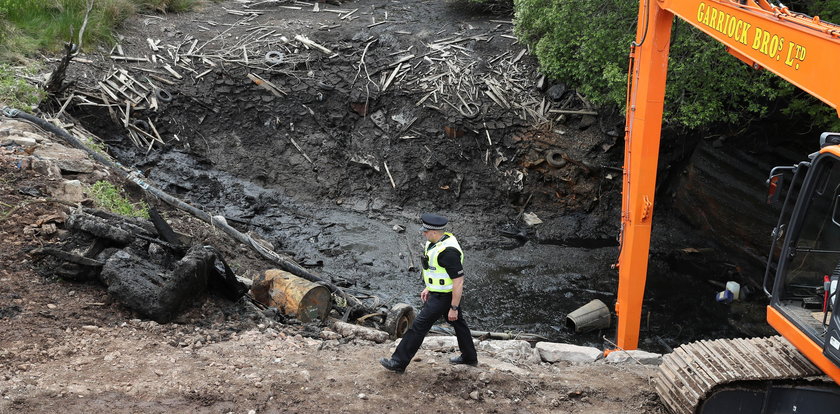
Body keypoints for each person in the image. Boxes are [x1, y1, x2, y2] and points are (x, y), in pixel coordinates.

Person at [379, 213, 478, 373]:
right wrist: (428, 288)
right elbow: (437, 271)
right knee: (459, 324)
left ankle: (398, 362)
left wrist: (453, 306)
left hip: (444, 297)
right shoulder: (434, 243)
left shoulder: (448, 252)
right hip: (438, 293)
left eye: (426, 231)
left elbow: (458, 281)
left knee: (418, 327)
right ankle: (469, 357)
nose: (423, 233)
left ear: (434, 232)